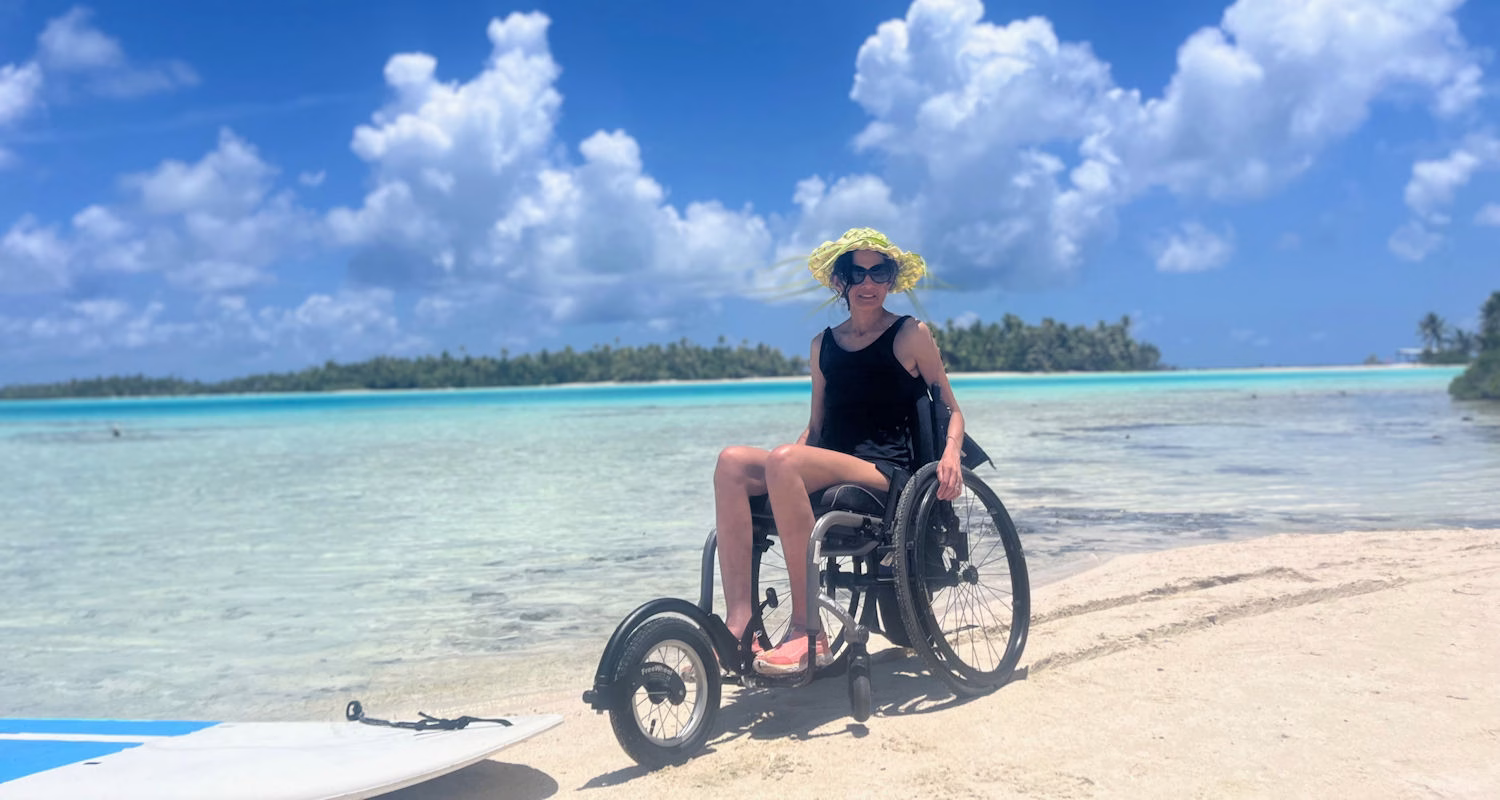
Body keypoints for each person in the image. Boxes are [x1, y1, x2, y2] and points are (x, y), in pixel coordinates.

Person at [713, 228, 968, 675]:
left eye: (879, 272)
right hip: (831, 463)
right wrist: (782, 465)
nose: (868, 283)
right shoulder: (823, 346)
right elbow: (815, 427)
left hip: (885, 473)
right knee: (731, 462)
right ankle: (740, 626)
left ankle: (807, 630)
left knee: (784, 461)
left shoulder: (910, 334)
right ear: (840, 281)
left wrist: (950, 456)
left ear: (891, 279)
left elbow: (951, 409)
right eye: (856, 273)